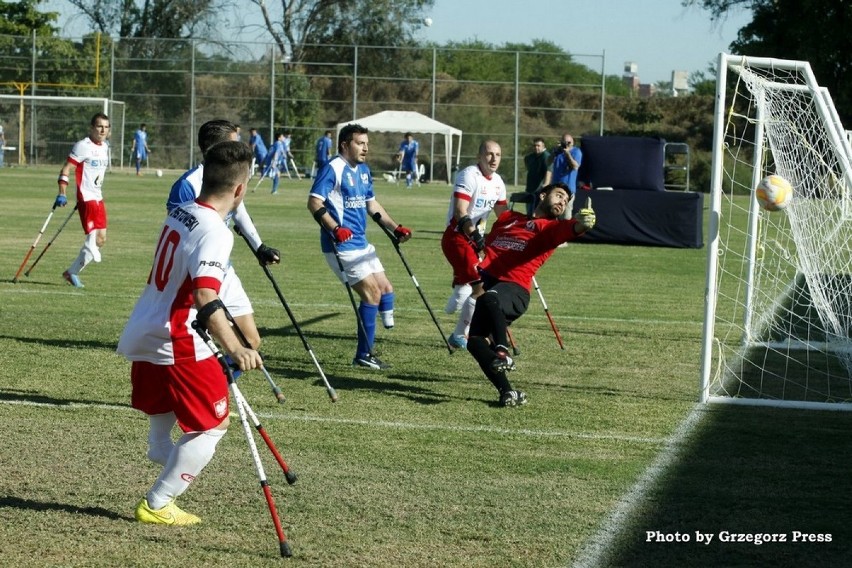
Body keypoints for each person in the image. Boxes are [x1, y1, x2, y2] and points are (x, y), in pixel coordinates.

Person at [117, 140, 264, 525]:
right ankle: (158, 502)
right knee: (214, 425)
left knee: (167, 412)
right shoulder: (216, 230)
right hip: (176, 336)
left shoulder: (181, 211)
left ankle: (161, 449)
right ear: (240, 189)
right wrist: (236, 347)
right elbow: (204, 294)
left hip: (145, 325)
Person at [468, 182, 596, 407]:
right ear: (543, 195)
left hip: (515, 291)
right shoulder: (509, 218)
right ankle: (508, 392)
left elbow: (570, 228)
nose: (562, 202)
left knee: (488, 298)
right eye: (558, 196)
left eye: (565, 201)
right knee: (475, 342)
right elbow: (488, 227)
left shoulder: (547, 228)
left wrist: (581, 224)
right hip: (494, 290)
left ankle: (502, 350)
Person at [167, 119, 280, 350]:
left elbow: (239, 210)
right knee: (200, 345)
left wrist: (259, 247)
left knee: (250, 341)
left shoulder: (231, 177)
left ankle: (220, 383)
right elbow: (179, 232)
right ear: (216, 148)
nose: (241, 148)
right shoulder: (188, 184)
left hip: (223, 268)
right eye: (234, 143)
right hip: (196, 273)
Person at [308, 123, 412, 370]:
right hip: (340, 246)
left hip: (361, 243)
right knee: (372, 293)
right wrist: (335, 228)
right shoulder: (333, 168)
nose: (366, 148)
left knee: (386, 288)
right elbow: (314, 202)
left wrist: (395, 227)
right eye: (360, 143)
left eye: (367, 143)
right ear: (345, 145)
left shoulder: (363, 170)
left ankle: (380, 330)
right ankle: (364, 355)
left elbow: (372, 205)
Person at [440, 140, 508, 350]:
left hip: (475, 240)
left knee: (469, 288)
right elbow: (461, 212)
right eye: (489, 154)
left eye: (497, 154)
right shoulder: (469, 175)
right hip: (456, 238)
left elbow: (503, 216)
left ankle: (458, 294)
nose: (493, 158)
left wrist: (518, 236)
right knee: (480, 284)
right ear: (480, 157)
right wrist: (476, 237)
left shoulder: (498, 182)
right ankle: (460, 335)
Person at [54, 112, 111, 289]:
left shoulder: (105, 147)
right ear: (92, 128)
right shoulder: (82, 146)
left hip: (98, 197)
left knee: (101, 240)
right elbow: (67, 169)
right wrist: (62, 192)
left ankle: (71, 272)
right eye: (99, 126)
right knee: (92, 237)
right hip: (86, 197)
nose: (103, 130)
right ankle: (89, 247)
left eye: (106, 127)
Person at [543, 133, 583, 199]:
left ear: (572, 143)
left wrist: (567, 154)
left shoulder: (576, 152)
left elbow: (575, 167)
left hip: (568, 189)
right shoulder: (558, 152)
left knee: (567, 209)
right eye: (564, 142)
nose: (566, 144)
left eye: (569, 142)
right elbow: (548, 163)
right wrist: (554, 153)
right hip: (555, 188)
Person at [523, 138, 550, 215]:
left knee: (536, 214)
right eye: (535, 145)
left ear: (543, 146)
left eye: (538, 145)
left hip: (539, 190)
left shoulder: (546, 157)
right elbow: (526, 160)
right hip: (530, 189)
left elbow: (549, 171)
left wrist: (545, 186)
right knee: (529, 213)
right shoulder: (531, 157)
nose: (536, 147)